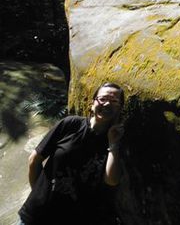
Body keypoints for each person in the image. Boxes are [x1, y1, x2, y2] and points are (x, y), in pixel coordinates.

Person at [18, 82, 126, 225]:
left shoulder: (115, 139)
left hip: (72, 218)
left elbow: (111, 180)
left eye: (114, 101)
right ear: (93, 103)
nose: (107, 104)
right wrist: (39, 194)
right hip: (37, 214)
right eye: (103, 99)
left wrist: (113, 144)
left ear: (120, 108)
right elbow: (35, 159)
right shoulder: (71, 124)